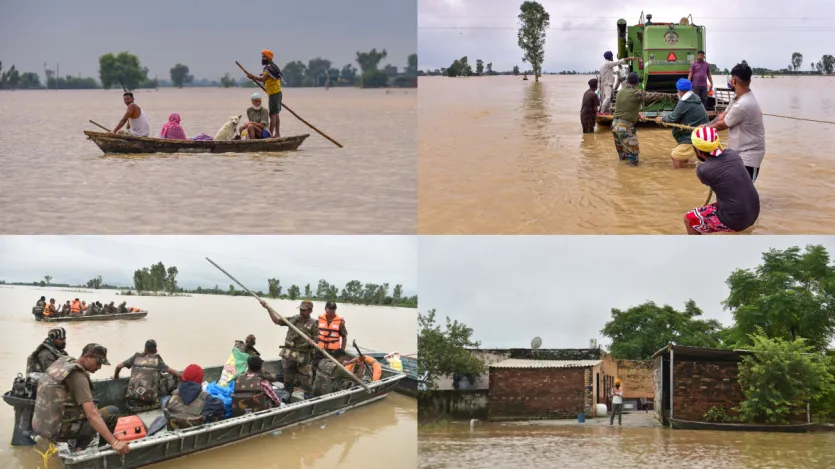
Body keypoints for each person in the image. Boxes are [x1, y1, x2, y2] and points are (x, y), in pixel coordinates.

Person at [32, 343, 128, 454]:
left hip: (42, 425)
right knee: (111, 412)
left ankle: (79, 445)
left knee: (92, 410)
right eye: (98, 362)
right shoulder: (77, 376)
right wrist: (114, 442)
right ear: (87, 357)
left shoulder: (63, 362)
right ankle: (97, 448)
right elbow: (92, 415)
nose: (99, 367)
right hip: (58, 431)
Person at [684, 126, 760, 235]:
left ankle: (697, 249)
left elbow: (709, 179)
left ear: (697, 150)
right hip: (754, 212)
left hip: (736, 219)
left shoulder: (703, 170)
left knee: (688, 219)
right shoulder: (733, 154)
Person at [708, 62, 766, 182]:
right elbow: (721, 117)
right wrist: (705, 125)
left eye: (730, 79)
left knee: (744, 192)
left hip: (748, 157)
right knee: (733, 190)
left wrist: (702, 131)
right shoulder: (737, 99)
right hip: (738, 154)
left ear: (734, 81)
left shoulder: (743, 104)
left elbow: (722, 125)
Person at [611, 72, 678, 165]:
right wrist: (674, 96)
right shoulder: (636, 93)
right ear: (637, 83)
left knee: (623, 158)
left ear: (627, 81)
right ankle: (632, 177)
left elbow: (625, 108)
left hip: (614, 127)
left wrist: (638, 115)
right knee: (634, 159)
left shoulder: (620, 92)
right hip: (625, 127)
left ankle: (621, 175)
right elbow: (656, 95)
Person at [260, 299, 319, 394]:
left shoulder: (313, 324)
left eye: (304, 310)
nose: (301, 311)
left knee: (305, 379)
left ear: (310, 311)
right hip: (291, 354)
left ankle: (305, 396)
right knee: (288, 377)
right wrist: (268, 309)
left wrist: (312, 341)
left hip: (304, 356)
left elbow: (317, 340)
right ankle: (287, 394)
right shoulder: (294, 319)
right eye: (300, 309)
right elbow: (277, 321)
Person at [655, 78, 710, 168]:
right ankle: (686, 170)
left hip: (692, 136)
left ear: (679, 90)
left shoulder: (684, 102)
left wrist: (662, 119)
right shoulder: (695, 98)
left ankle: (680, 176)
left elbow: (673, 118)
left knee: (675, 156)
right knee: (682, 157)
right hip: (701, 133)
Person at [113, 340, 181, 412]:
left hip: (132, 403)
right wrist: (181, 376)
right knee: (172, 378)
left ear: (145, 349)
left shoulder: (136, 357)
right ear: (156, 351)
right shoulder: (157, 360)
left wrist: (116, 377)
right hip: (151, 401)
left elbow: (118, 367)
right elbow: (172, 372)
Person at [164, 364, 226, 430]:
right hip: (198, 435)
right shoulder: (207, 400)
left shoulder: (172, 398)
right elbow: (221, 407)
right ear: (200, 380)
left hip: (175, 434)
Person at [246, 50, 283, 137]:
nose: (263, 59)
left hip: (274, 93)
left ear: (269, 58)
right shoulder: (272, 66)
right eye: (262, 57)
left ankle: (271, 134)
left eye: (265, 57)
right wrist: (254, 77)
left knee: (272, 114)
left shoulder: (268, 68)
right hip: (277, 93)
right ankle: (277, 133)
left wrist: (253, 76)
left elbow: (263, 79)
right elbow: (266, 78)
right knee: (276, 113)